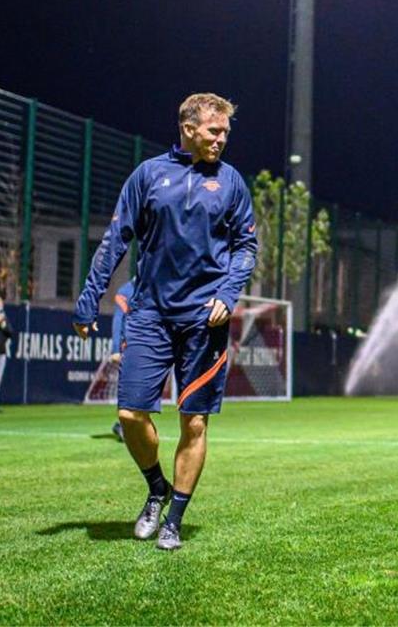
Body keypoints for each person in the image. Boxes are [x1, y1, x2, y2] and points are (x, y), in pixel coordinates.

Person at [72, 93, 257, 551]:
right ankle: (156, 488)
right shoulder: (148, 176)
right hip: (150, 315)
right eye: (215, 131)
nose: (222, 139)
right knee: (130, 414)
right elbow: (116, 240)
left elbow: (245, 248)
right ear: (189, 127)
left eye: (226, 132)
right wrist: (89, 298)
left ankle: (173, 518)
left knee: (194, 423)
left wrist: (227, 293)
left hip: (204, 321)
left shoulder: (232, 183)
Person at [109, 278, 136, 442]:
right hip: (131, 346)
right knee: (130, 386)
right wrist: (115, 349)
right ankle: (125, 425)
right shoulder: (126, 291)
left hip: (151, 344)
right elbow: (119, 320)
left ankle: (127, 425)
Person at [0, 297, 13, 396]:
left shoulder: (4, 318)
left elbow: (10, 331)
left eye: (0, 303)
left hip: (2, 352)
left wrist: (2, 324)